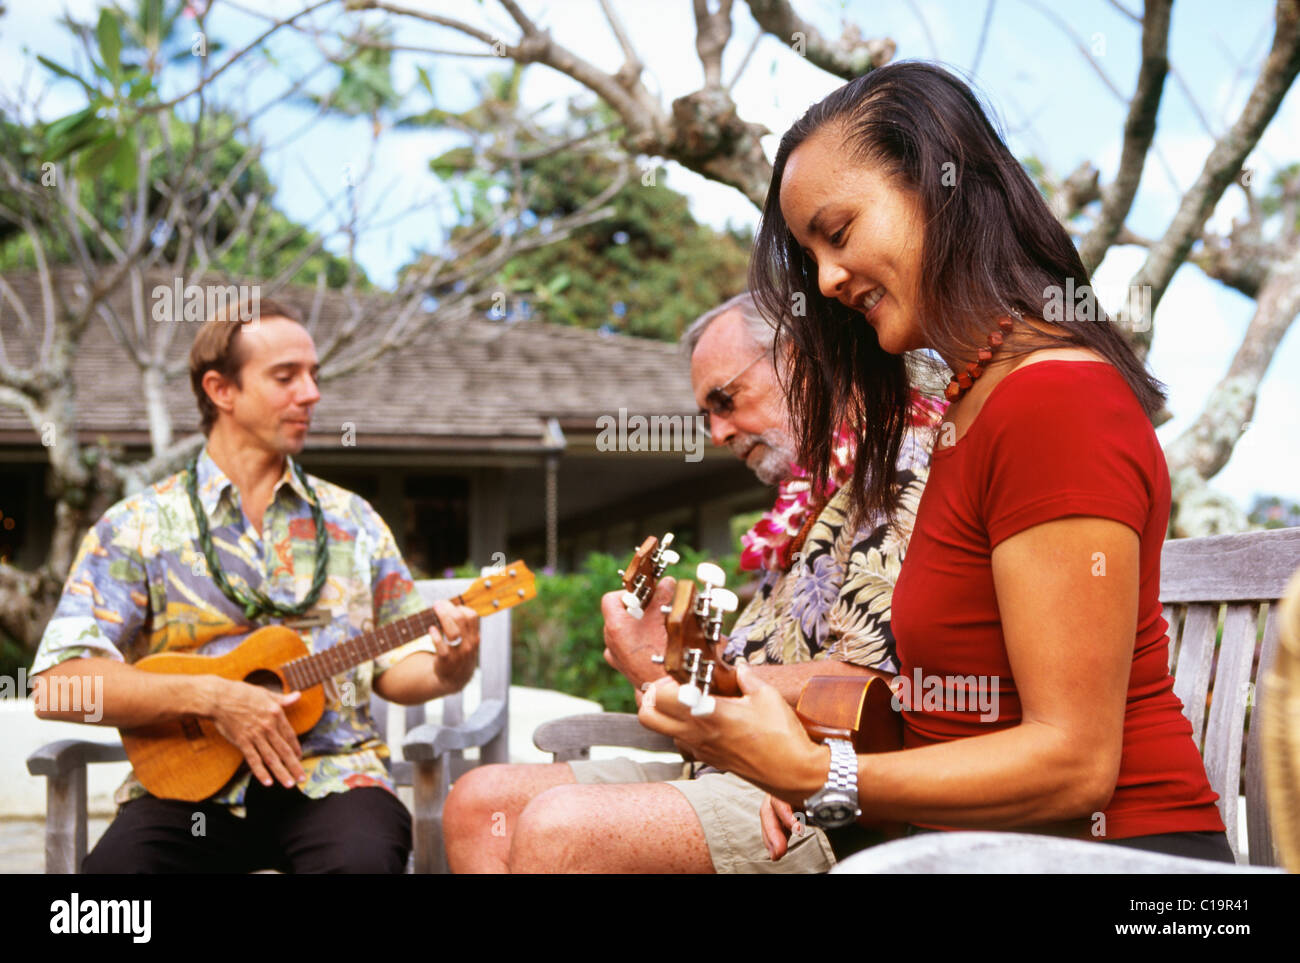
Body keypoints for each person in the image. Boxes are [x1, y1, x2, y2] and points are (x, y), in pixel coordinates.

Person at [637, 61, 1233, 864]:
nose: (828, 278)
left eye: (838, 233)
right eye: (811, 254)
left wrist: (825, 773)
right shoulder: (972, 404)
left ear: (940, 187)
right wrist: (803, 748)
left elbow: (1074, 763)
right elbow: (952, 707)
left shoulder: (1053, 404)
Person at [442, 292, 944, 873]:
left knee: (560, 830)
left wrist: (679, 674)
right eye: (707, 413)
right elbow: (731, 690)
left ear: (803, 360)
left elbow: (867, 685)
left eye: (724, 400)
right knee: (478, 803)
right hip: (728, 765)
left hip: (828, 790)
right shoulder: (811, 494)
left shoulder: (901, 459)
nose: (717, 432)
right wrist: (663, 664)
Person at [31, 298, 482, 873]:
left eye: (314, 375)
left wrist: (450, 666)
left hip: (333, 781)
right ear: (222, 390)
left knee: (360, 865)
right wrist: (212, 698)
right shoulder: (138, 525)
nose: (312, 393)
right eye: (286, 376)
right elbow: (58, 687)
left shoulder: (354, 521)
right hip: (187, 793)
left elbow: (396, 667)